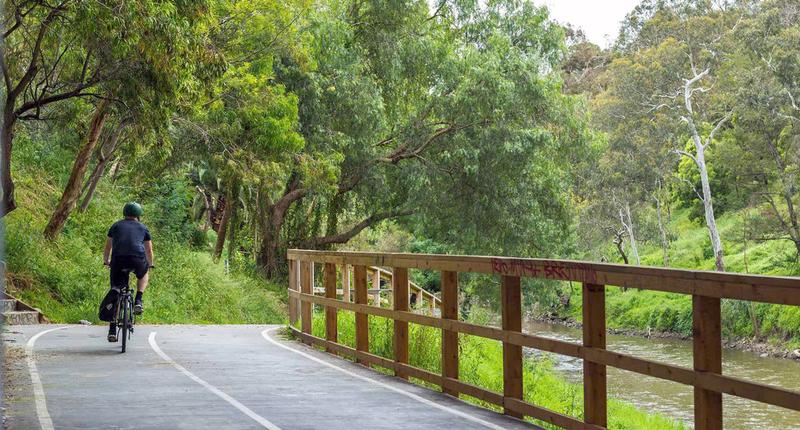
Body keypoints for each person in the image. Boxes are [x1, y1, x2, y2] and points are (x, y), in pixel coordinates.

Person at [102, 202, 154, 342]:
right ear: (138, 215)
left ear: (124, 213)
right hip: (137, 259)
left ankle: (112, 330)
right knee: (144, 273)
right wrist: (150, 264)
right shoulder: (143, 228)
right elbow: (148, 250)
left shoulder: (116, 226)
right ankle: (138, 299)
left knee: (116, 291)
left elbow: (108, 247)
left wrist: (106, 261)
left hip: (118, 261)